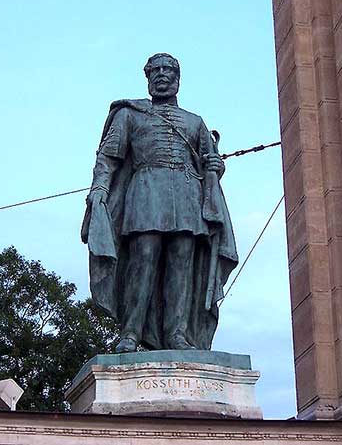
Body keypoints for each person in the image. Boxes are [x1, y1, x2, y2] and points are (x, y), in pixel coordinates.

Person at [81, 53, 238, 352]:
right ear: (148, 77)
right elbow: (108, 157)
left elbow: (211, 164)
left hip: (187, 194)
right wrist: (99, 189)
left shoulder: (195, 122)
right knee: (143, 258)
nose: (162, 75)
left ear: (178, 78)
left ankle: (178, 334)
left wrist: (215, 166)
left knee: (182, 262)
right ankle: (130, 332)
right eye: (156, 70)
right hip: (146, 190)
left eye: (168, 70)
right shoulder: (129, 115)